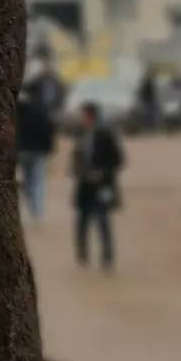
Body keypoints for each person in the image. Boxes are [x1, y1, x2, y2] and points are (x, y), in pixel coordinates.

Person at [71, 101, 124, 269]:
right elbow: (76, 156)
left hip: (102, 186)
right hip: (84, 185)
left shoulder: (105, 134)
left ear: (91, 116)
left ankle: (107, 257)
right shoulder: (79, 133)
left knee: (103, 221)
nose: (81, 118)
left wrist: (102, 173)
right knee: (82, 221)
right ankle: (82, 253)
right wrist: (76, 170)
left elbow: (118, 160)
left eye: (83, 115)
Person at [15, 82, 55, 219]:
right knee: (38, 180)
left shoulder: (19, 109)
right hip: (39, 150)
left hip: (23, 150)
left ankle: (32, 206)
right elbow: (49, 130)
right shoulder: (43, 109)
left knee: (27, 179)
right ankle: (37, 211)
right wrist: (49, 148)